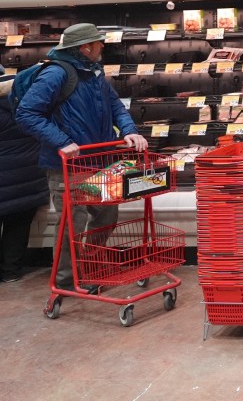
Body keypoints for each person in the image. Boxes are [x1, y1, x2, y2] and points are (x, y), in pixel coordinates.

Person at [14, 23, 148, 292]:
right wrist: (61, 142)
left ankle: (91, 265)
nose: (102, 47)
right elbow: (26, 114)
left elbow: (114, 106)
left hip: (102, 160)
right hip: (68, 166)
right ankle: (68, 281)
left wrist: (130, 131)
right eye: (98, 43)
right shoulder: (55, 73)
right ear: (85, 47)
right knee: (71, 228)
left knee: (107, 216)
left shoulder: (94, 72)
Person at [0, 73, 47, 283]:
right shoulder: (32, 100)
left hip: (5, 176)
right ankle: (11, 271)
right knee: (19, 223)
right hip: (30, 175)